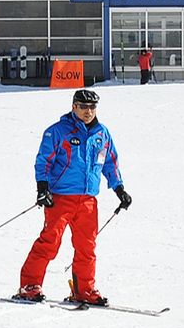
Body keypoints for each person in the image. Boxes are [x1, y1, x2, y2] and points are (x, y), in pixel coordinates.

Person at [15, 87, 130, 307]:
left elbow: (110, 162)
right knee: (50, 242)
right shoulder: (58, 131)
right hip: (60, 198)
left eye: (92, 107)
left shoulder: (101, 134)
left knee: (87, 246)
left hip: (87, 200)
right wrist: (42, 188)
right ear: (74, 107)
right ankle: (29, 285)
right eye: (84, 107)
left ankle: (84, 290)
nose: (89, 111)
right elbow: (44, 161)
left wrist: (119, 189)